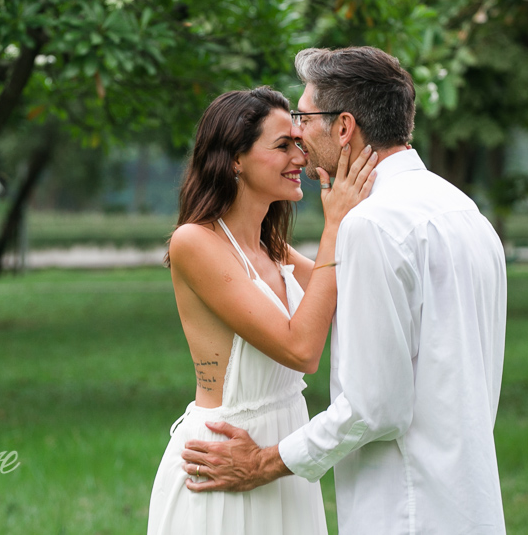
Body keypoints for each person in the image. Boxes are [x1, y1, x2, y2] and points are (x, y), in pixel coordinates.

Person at [181, 47, 509, 534]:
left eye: (305, 118)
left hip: (406, 507)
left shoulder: (372, 225)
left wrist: (268, 462)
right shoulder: (463, 212)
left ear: (343, 128)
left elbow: (374, 405)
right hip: (468, 499)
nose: (300, 138)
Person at [146, 86, 378, 534]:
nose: (300, 155)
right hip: (221, 459)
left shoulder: (273, 249)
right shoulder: (195, 242)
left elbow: (350, 291)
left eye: (298, 140)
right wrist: (336, 225)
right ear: (236, 159)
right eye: (283, 145)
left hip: (278, 454)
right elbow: (301, 349)